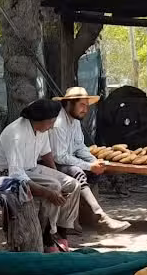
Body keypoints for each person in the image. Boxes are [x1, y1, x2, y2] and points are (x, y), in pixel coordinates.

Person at [0, 99, 81, 252]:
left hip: (30, 168)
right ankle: (47, 235)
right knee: (53, 187)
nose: (52, 126)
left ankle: (61, 232)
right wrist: (48, 191)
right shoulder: (16, 134)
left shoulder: (41, 129)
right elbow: (16, 174)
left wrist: (55, 173)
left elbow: (46, 153)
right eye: (51, 122)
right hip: (6, 175)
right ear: (40, 120)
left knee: (72, 184)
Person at [50, 87, 130, 233]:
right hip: (48, 164)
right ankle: (101, 217)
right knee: (77, 171)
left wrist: (94, 162)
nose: (85, 110)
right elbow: (59, 157)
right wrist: (88, 166)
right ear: (69, 104)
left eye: (87, 106)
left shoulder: (74, 121)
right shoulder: (59, 123)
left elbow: (80, 146)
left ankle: (85, 217)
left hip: (64, 161)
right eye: (82, 105)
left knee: (93, 172)